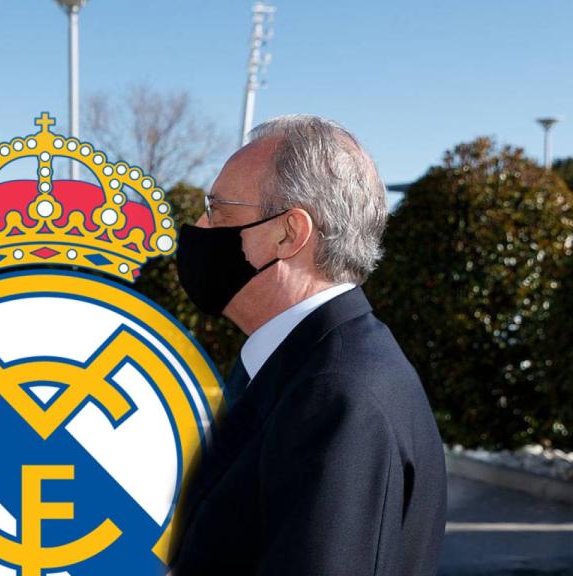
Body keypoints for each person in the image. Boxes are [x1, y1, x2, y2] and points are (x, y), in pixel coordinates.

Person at [170, 115, 446, 575]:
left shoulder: (338, 396)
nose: (198, 227)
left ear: (288, 233)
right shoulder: (307, 366)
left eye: (218, 211)